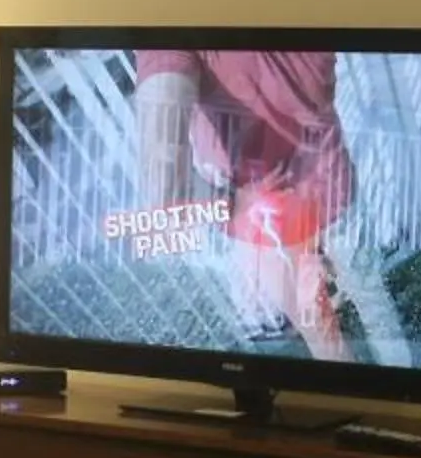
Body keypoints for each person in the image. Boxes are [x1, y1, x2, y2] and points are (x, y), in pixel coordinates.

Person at [134, 47, 354, 360]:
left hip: (266, 221)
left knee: (324, 336)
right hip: (332, 185)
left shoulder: (173, 29)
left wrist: (230, 204)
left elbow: (165, 187)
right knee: (365, 300)